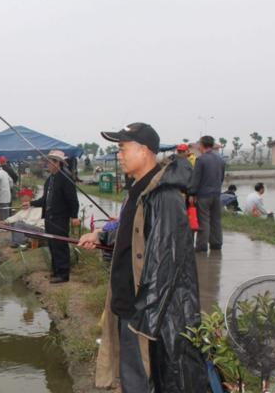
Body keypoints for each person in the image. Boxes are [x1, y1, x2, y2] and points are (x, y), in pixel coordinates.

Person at [78, 122, 206, 393]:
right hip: (129, 307)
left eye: (123, 148)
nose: (119, 155)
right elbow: (132, 233)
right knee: (131, 379)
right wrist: (101, 236)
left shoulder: (165, 197)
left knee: (146, 380)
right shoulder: (138, 189)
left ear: (145, 150)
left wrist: (142, 320)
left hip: (148, 317)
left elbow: (166, 266)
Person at [27, 150, 79, 283]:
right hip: (50, 218)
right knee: (52, 245)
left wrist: (74, 216)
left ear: (58, 163)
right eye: (47, 162)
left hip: (60, 218)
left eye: (49, 162)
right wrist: (31, 203)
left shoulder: (66, 178)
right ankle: (56, 271)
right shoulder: (50, 179)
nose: (47, 165)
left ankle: (63, 275)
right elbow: (45, 199)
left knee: (60, 246)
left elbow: (73, 199)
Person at [188, 135, 225, 252]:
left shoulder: (201, 160)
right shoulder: (220, 159)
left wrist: (192, 194)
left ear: (202, 145)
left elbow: (196, 179)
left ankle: (201, 245)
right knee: (216, 220)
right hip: (217, 194)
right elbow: (222, 177)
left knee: (203, 220)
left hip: (204, 196)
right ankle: (216, 244)